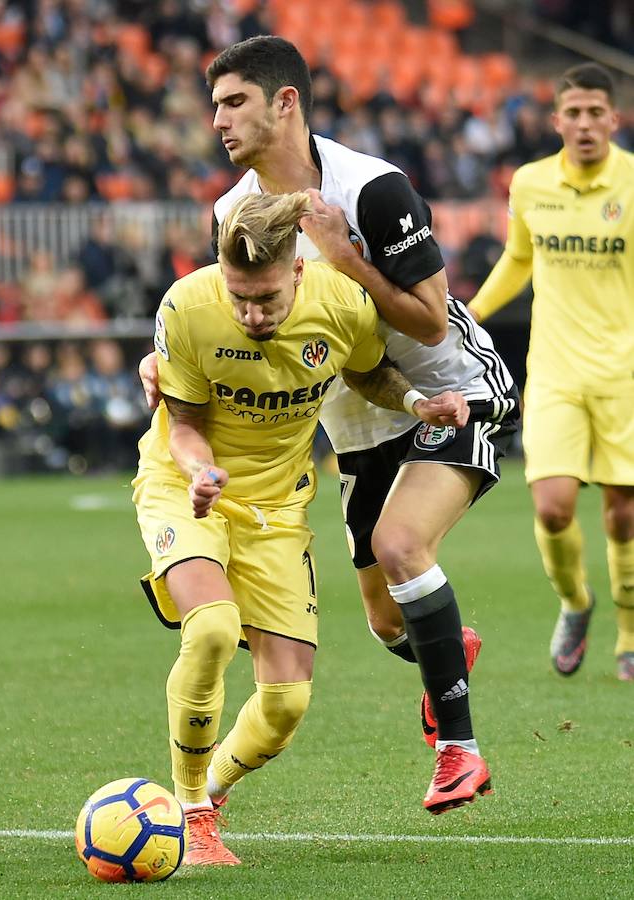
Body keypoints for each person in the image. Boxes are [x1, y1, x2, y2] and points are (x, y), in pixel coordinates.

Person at [140, 36, 519, 814]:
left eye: (233, 101)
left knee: (400, 545)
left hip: (451, 394)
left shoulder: (373, 189)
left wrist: (343, 257)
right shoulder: (232, 211)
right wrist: (164, 368)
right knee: (386, 621)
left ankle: (459, 751)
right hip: (358, 421)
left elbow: (429, 325)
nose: (217, 119)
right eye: (213, 105)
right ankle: (445, 646)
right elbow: (224, 323)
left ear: (285, 103)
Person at [133, 190, 469, 866]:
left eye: (265, 299)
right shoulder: (188, 307)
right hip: (187, 489)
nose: (252, 314)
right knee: (212, 629)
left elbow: (368, 373)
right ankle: (191, 809)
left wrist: (414, 401)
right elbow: (186, 426)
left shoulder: (341, 304)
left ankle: (213, 789)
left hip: (279, 509)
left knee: (285, 702)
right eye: (239, 298)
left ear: (295, 271)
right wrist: (200, 472)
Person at [468, 63, 634, 682]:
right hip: (557, 369)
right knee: (555, 509)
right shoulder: (531, 183)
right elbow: (519, 257)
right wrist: (475, 311)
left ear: (613, 119)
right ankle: (575, 602)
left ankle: (629, 631)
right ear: (557, 120)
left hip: (625, 372)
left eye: (598, 112)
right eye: (576, 113)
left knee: (624, 513)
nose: (586, 123)